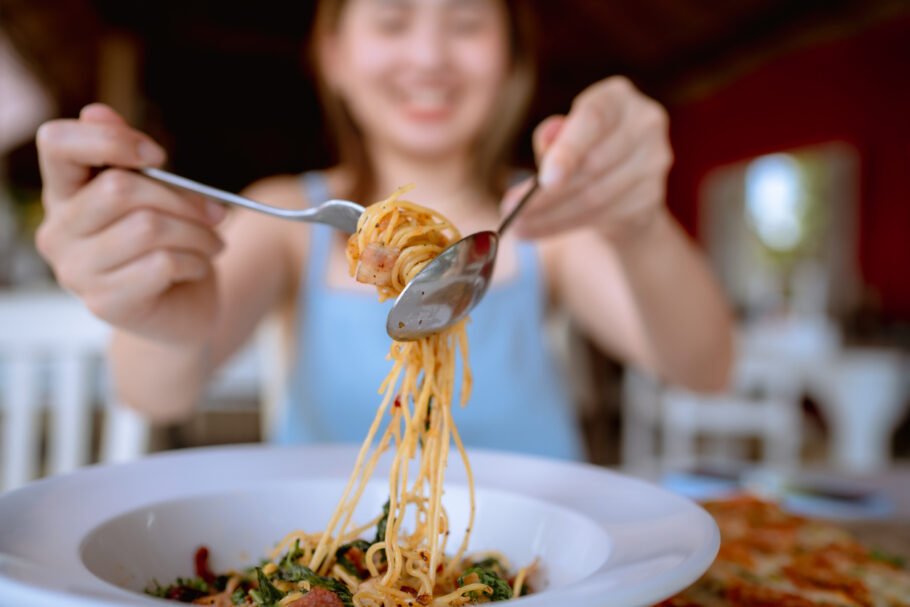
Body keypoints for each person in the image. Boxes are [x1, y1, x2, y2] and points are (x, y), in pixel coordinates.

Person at [34, 0, 733, 461]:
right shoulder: (286, 218)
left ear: (511, 58)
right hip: (331, 571)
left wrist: (637, 222)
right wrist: (165, 322)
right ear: (333, 53)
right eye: (393, 19)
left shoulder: (547, 214)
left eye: (466, 22)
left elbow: (705, 368)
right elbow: (156, 393)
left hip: (542, 571)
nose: (429, 56)